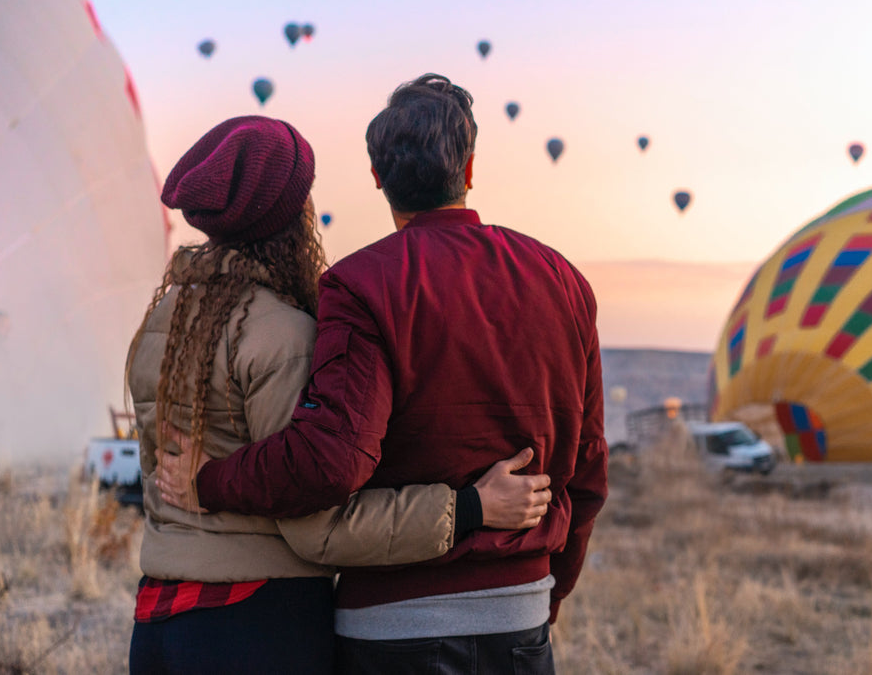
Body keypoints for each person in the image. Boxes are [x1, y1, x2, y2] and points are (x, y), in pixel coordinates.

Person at [158, 75, 609, 673]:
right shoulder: (564, 281)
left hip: (392, 628)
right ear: (470, 169)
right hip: (519, 621)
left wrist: (209, 483)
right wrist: (545, 593)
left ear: (377, 178)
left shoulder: (360, 284)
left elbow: (331, 461)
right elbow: (589, 470)